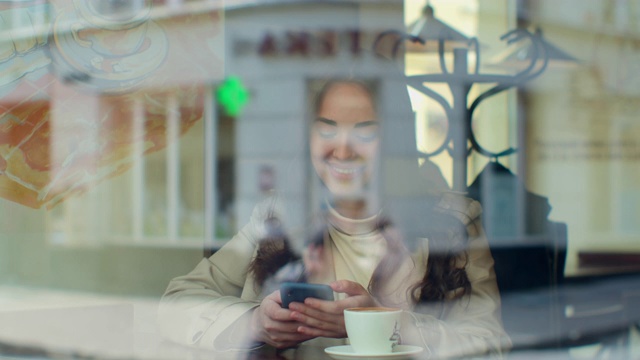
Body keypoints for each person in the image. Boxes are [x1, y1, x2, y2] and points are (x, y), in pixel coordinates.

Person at [157, 65, 510, 359]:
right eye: (327, 128)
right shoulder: (274, 218)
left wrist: (385, 325)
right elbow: (177, 302)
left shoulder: (453, 221)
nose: (342, 149)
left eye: (365, 130)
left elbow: (489, 344)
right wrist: (253, 323)